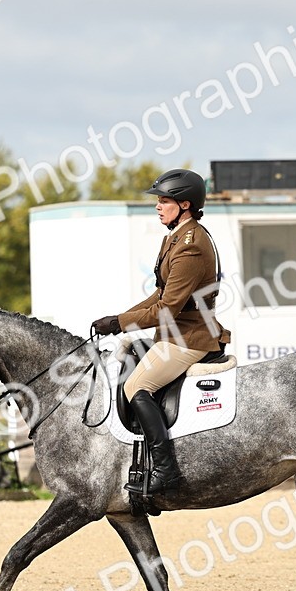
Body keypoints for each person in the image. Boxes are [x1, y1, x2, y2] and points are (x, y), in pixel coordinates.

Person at [91, 168, 231, 496]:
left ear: (184, 204)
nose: (158, 205)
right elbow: (160, 295)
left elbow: (167, 310)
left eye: (164, 200)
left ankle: (167, 472)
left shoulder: (191, 245)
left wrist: (120, 324)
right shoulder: (176, 236)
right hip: (174, 334)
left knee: (136, 386)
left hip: (191, 337)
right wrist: (119, 318)